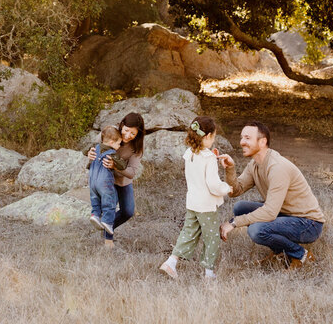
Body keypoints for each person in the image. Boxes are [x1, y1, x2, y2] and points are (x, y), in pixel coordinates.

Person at [218, 121, 324, 269]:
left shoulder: (277, 167)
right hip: (285, 213)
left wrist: (234, 223)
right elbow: (235, 191)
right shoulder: (255, 164)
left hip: (308, 223)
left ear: (262, 142)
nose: (242, 142)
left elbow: (270, 212)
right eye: (242, 137)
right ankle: (281, 253)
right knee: (240, 207)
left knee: (256, 230)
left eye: (247, 138)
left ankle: (301, 255)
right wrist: (230, 169)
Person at [159, 116, 232, 279]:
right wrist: (227, 188)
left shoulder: (190, 153)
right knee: (211, 237)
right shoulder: (209, 158)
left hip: (192, 202)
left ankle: (171, 262)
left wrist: (211, 155)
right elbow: (213, 184)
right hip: (206, 205)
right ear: (207, 137)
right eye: (213, 137)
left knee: (188, 232)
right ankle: (209, 272)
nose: (213, 140)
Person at [86, 112, 145, 247]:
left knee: (128, 211)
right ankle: (108, 239)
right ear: (122, 125)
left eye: (133, 134)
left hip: (122, 181)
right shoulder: (110, 132)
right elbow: (95, 146)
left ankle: (105, 227)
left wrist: (116, 167)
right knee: (108, 207)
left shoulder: (137, 147)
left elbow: (131, 172)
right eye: (126, 130)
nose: (128, 135)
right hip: (104, 180)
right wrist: (90, 153)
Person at [86, 125, 128, 235]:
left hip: (92, 182)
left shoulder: (95, 149)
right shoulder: (111, 153)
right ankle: (107, 221)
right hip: (104, 182)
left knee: (95, 200)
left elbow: (88, 163)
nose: (119, 146)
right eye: (118, 143)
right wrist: (118, 162)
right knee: (110, 199)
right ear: (111, 143)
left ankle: (95, 215)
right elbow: (122, 166)